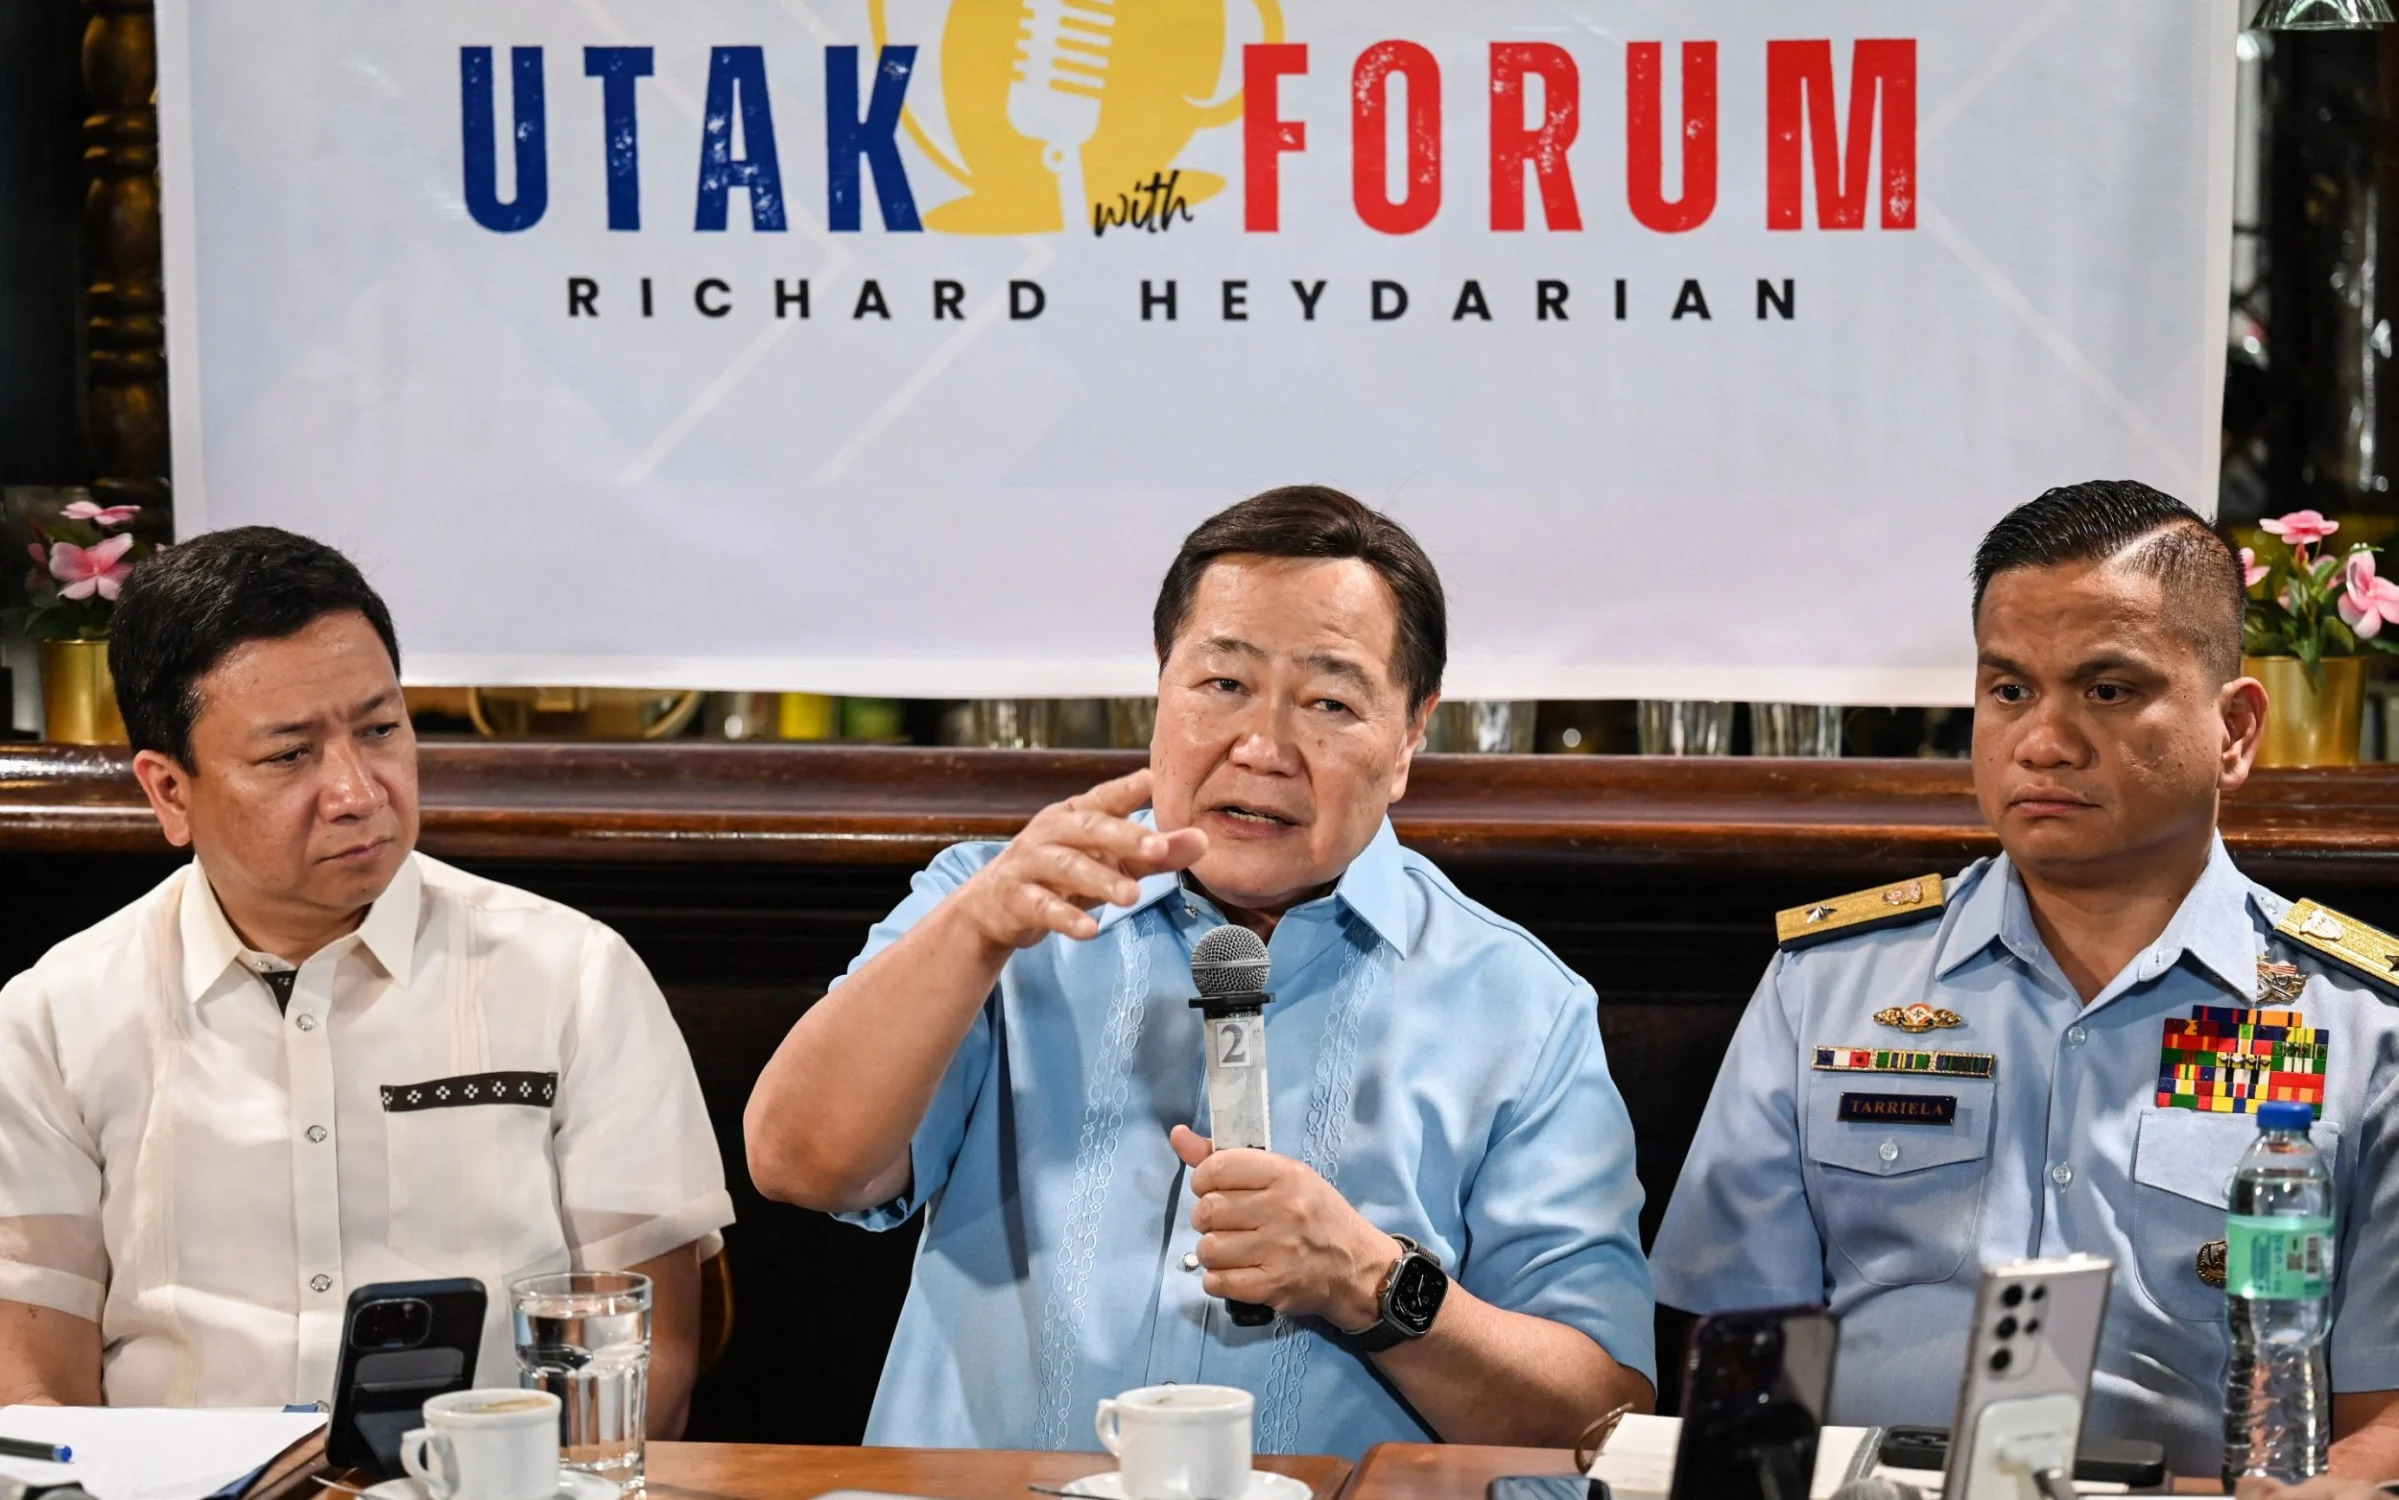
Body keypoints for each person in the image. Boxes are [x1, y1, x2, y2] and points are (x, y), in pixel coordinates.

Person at [746, 486, 1654, 1457]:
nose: (1260, 748)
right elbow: (798, 1164)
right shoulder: (990, 904)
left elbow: (1598, 1420)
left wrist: (1373, 1285)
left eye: (1330, 703)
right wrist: (975, 930)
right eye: (1221, 685)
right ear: (1159, 684)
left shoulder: (1518, 1005)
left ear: (1409, 737)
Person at [1651, 480, 2399, 1479]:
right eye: (2007, 691)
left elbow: (2380, 1415)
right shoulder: (1823, 986)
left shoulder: (2359, 1027)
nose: (2041, 742)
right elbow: (1742, 1350)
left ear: (2232, 731)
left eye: (2106, 690)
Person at [0, 528, 733, 1426]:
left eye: (380, 729)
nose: (357, 790)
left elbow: (644, 1358)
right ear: (169, 792)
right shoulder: (54, 1017)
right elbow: (34, 1385)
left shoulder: (572, 975)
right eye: (289, 756)